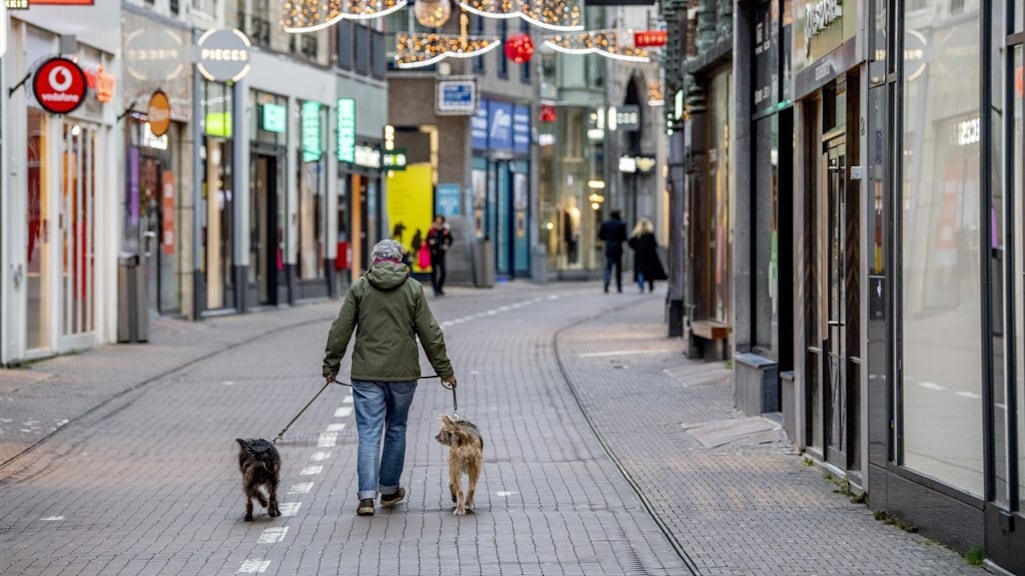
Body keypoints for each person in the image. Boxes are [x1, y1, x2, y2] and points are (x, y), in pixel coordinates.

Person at [322, 239, 457, 517]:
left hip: (366, 374)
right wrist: (444, 369)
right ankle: (390, 489)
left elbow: (341, 329)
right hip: (403, 373)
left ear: (374, 260)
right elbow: (430, 333)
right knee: (396, 429)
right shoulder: (413, 289)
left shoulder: (360, 287)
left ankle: (366, 497)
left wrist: (330, 365)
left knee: (369, 433)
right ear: (399, 259)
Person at [628, 218, 667, 293]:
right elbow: (655, 244)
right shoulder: (650, 235)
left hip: (639, 255)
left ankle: (641, 285)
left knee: (640, 271)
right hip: (649, 256)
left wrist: (637, 248)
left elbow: (630, 243)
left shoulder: (637, 235)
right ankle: (650, 286)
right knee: (650, 272)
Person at [598, 209, 628, 293]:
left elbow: (600, 236)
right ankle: (619, 286)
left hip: (609, 248)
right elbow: (624, 238)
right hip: (618, 248)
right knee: (618, 269)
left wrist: (608, 239)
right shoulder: (621, 224)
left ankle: (606, 285)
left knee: (608, 268)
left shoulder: (606, 224)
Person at [426, 215, 453, 296]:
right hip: (433, 252)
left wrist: (446, 246)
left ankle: (439, 287)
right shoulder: (432, 229)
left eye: (439, 219)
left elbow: (450, 239)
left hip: (441, 253)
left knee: (443, 272)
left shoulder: (445, 229)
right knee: (434, 271)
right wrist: (430, 243)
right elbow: (427, 239)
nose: (438, 221)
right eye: (437, 219)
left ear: (442, 220)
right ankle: (435, 289)